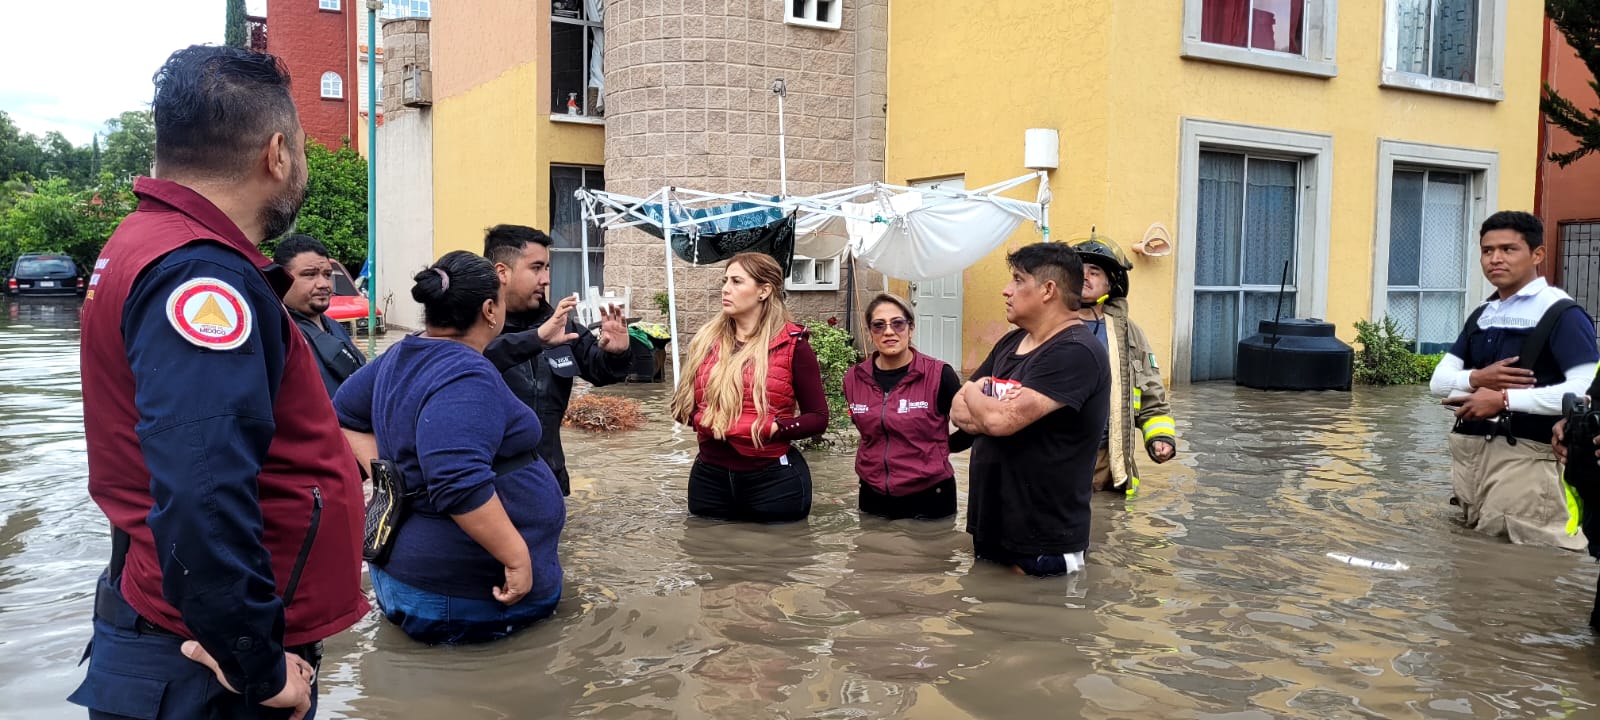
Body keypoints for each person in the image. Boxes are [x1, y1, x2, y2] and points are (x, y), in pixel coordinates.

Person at [73, 46, 367, 719]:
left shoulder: (146, 241)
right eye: (301, 148)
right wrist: (254, 663)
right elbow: (201, 488)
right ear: (276, 154)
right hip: (207, 668)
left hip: (177, 630)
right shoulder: (201, 277)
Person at [333, 251, 567, 644]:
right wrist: (516, 557)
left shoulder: (403, 353)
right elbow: (458, 482)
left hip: (422, 580)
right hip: (462, 597)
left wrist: (393, 476)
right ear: (490, 309)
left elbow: (345, 412)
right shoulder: (466, 375)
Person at [1431, 210, 1597, 551]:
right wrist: (1478, 377)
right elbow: (1438, 382)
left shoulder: (1562, 314)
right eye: (1487, 250)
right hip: (1470, 455)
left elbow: (1583, 393)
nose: (1495, 259)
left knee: (1529, 561)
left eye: (1508, 249)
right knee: (1473, 564)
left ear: (1537, 255)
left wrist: (1504, 399)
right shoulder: (1484, 313)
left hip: (1526, 458)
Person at [950, 242, 1110, 577]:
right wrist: (979, 406)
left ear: (1048, 290)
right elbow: (958, 412)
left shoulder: (1075, 351)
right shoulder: (1012, 342)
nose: (1006, 290)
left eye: (1018, 280)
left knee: (1035, 626)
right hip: (992, 527)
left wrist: (972, 391)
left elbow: (998, 420)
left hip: (1043, 542)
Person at [669, 252, 829, 522]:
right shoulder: (706, 342)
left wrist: (773, 428)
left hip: (773, 481)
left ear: (764, 291)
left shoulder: (793, 346)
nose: (725, 289)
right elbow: (683, 407)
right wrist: (706, 420)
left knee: (767, 561)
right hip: (709, 479)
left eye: (736, 282)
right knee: (705, 557)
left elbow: (818, 418)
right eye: (725, 281)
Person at [480, 224, 631, 496]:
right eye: (536, 268)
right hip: (492, 485)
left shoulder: (560, 324)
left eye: (547, 268)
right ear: (502, 272)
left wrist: (616, 352)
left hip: (549, 477)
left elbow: (601, 372)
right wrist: (536, 338)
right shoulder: (476, 331)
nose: (546, 278)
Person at [1068, 234, 1177, 494]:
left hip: (1107, 459)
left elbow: (1150, 392)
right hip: (1056, 454)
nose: (1085, 277)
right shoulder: (1048, 324)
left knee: (1106, 529)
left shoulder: (1128, 333)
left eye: (1094, 272)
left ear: (1111, 282)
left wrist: (1160, 438)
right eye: (1078, 271)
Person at [842, 293, 965, 520]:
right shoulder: (853, 378)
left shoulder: (939, 375)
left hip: (930, 495)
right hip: (872, 493)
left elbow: (973, 427)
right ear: (870, 334)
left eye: (898, 323)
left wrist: (940, 449)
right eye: (879, 326)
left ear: (911, 328)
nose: (889, 331)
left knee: (931, 552)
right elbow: (865, 431)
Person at [274, 233, 365, 397]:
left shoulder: (335, 327)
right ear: (282, 278)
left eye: (327, 275)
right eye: (309, 274)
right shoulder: (275, 334)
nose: (323, 284)